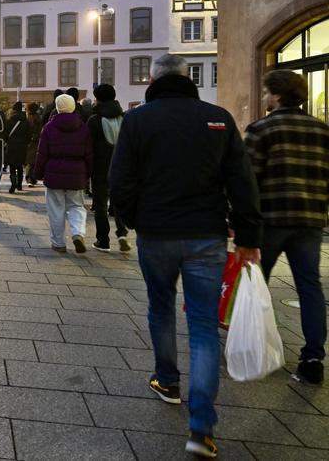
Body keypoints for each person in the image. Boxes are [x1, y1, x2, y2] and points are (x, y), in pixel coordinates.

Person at [110, 54, 262, 459]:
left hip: (157, 233)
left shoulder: (139, 120)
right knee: (202, 326)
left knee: (160, 307)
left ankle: (167, 380)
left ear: (154, 80)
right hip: (207, 235)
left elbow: (120, 179)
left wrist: (133, 218)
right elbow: (242, 181)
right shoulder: (218, 118)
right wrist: (248, 234)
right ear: (187, 79)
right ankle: (201, 429)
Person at [245, 70, 329, 386]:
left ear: (277, 96)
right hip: (310, 219)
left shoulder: (262, 129)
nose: (265, 97)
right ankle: (313, 357)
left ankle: (256, 346)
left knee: (257, 283)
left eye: (267, 92)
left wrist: (238, 221)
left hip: (271, 219)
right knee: (310, 286)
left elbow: (248, 180)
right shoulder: (322, 130)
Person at [34, 93, 92, 253]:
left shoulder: (49, 128)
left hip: (54, 173)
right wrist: (89, 173)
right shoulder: (83, 127)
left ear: (58, 108)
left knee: (56, 209)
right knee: (77, 206)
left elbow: (42, 153)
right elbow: (89, 154)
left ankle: (58, 243)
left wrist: (38, 173)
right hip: (77, 173)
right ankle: (78, 233)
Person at [87, 84, 129, 252]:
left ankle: (103, 240)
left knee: (100, 204)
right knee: (118, 201)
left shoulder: (94, 120)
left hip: (101, 166)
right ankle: (122, 233)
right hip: (121, 165)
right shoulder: (125, 118)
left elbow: (89, 147)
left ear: (98, 99)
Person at [4, 101, 31, 194]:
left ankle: (13, 183)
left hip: (11, 145)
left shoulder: (8, 120)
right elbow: (29, 135)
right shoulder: (26, 121)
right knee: (19, 166)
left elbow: (5, 133)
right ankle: (19, 184)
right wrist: (26, 142)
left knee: (12, 166)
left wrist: (8, 141)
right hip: (22, 146)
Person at [25, 102, 42, 186]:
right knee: (33, 161)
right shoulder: (38, 117)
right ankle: (32, 178)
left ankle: (29, 178)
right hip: (36, 141)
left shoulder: (26, 117)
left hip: (27, 141)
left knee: (29, 161)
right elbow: (40, 130)